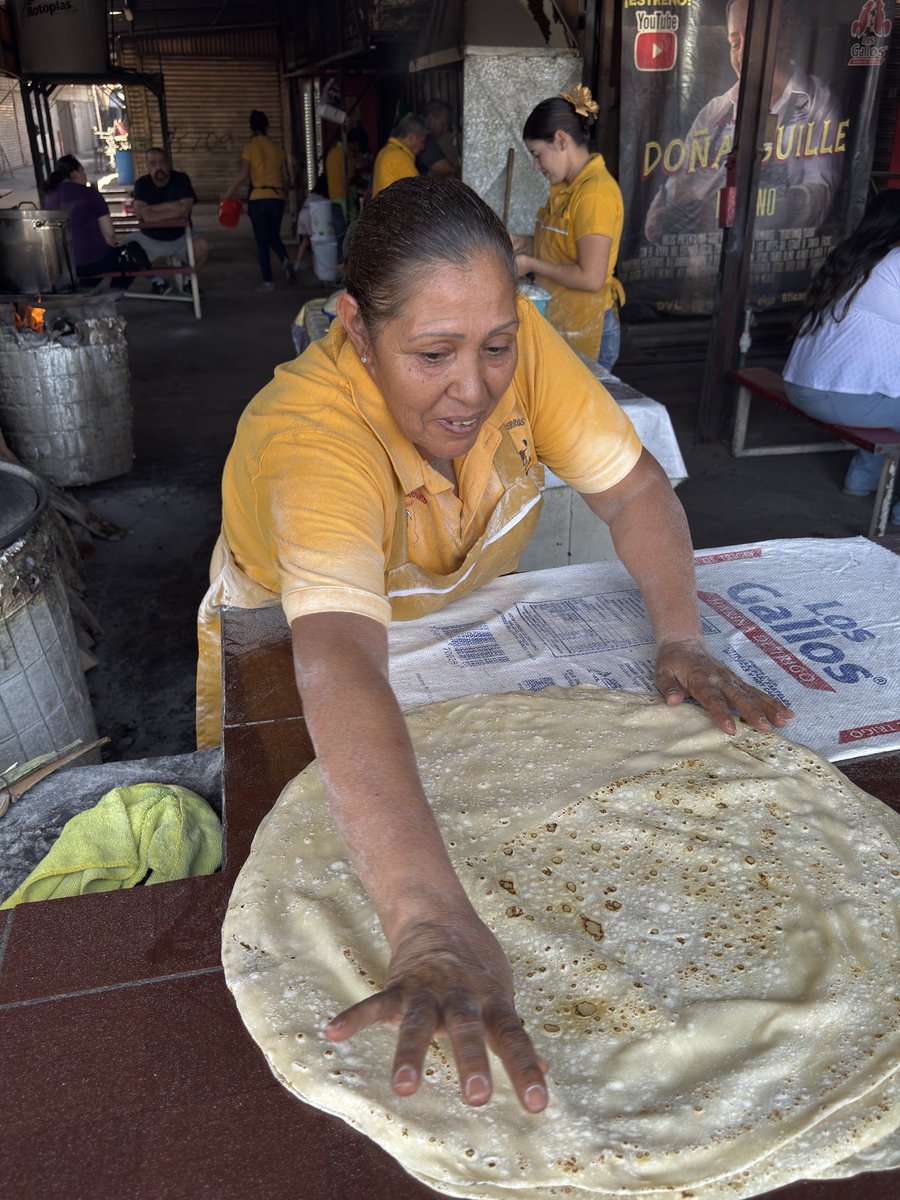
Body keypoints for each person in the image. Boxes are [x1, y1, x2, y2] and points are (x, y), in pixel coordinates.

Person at [196, 176, 792, 1115]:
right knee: (294, 847)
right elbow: (340, 656)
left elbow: (635, 492)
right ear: (356, 329)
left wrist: (680, 635)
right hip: (294, 646)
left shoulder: (521, 352)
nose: (473, 388)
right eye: (432, 354)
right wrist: (429, 923)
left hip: (448, 628)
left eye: (496, 346)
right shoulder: (310, 434)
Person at [644, 0, 842, 244]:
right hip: (703, 255)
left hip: (768, 254)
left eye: (754, 38)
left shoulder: (817, 102)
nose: (742, 55)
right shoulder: (714, 111)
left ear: (789, 31)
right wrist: (662, 214)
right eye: (735, 43)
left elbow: (819, 197)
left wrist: (725, 212)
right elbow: (678, 184)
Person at [782, 189, 900, 525]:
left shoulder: (853, 258)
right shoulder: (895, 261)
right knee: (886, 395)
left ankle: (860, 482)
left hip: (800, 386)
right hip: (842, 398)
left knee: (886, 393)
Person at [511, 85, 625, 370]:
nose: (536, 166)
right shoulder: (566, 189)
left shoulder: (594, 194)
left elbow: (591, 277)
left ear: (561, 141)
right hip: (565, 320)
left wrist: (529, 264)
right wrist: (526, 243)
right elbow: (564, 248)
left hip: (587, 326)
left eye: (537, 154)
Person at [222, 110, 293, 291]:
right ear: (267, 126)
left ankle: (268, 281)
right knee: (273, 235)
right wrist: (284, 195)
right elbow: (286, 177)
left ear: (251, 128)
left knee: (262, 241)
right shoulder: (278, 149)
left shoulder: (250, 148)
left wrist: (228, 193)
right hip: (276, 198)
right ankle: (285, 260)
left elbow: (243, 176)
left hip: (258, 199)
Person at [131, 147, 210, 295]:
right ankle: (157, 281)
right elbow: (142, 214)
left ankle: (188, 279)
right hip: (149, 237)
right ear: (147, 166)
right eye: (153, 164)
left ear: (168, 164)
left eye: (162, 163)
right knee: (124, 251)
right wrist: (174, 207)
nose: (158, 167)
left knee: (203, 246)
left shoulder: (181, 179)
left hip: (180, 236)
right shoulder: (141, 184)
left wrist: (152, 209)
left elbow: (184, 210)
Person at [43, 155, 129, 289]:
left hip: (63, 266)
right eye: (83, 171)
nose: (85, 175)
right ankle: (112, 293)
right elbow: (110, 235)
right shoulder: (91, 194)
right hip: (94, 262)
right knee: (130, 259)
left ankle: (85, 291)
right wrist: (111, 253)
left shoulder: (49, 197)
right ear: (74, 173)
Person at [371, 113, 426, 197]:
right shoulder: (400, 157)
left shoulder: (386, 150)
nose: (422, 147)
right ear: (412, 137)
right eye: (422, 141)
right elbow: (418, 194)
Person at [415, 99, 458, 178]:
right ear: (430, 119)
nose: (444, 129)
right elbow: (449, 171)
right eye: (442, 124)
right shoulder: (424, 139)